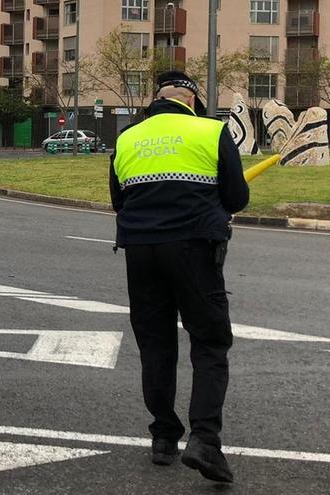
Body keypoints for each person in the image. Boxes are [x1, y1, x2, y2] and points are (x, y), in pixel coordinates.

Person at [109, 71, 249, 483]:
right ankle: (205, 440)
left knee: (155, 344)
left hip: (140, 251)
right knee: (209, 342)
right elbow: (237, 197)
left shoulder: (128, 138)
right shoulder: (210, 131)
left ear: (157, 100)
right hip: (194, 249)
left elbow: (119, 200)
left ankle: (164, 438)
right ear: (190, 99)